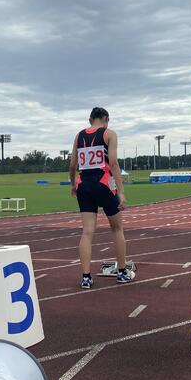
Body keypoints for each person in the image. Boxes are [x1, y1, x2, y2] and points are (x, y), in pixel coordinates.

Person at [68, 107, 133, 289]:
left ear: (90, 120)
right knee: (117, 228)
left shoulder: (79, 136)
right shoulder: (109, 134)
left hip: (83, 185)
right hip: (103, 184)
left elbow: (72, 165)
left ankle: (86, 277)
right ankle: (122, 272)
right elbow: (113, 163)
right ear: (106, 119)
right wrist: (121, 191)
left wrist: (73, 185)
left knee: (87, 232)